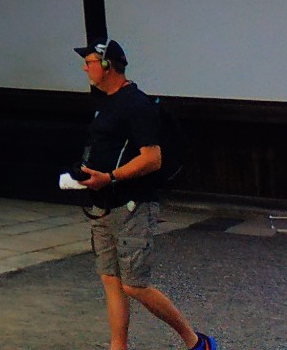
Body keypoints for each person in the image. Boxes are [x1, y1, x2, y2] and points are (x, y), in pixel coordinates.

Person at [74, 39, 216, 350]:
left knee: (134, 285)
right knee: (111, 281)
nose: (85, 67)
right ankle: (118, 346)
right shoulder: (106, 103)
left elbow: (152, 158)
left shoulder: (136, 104)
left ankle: (195, 342)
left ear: (109, 65)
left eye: (90, 62)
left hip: (132, 206)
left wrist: (110, 177)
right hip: (103, 205)